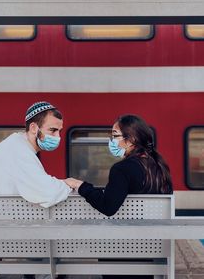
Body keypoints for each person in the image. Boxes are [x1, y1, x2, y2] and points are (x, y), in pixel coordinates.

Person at [65, 114, 173, 279]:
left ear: (130, 140)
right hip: (152, 246)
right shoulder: (159, 166)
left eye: (115, 135)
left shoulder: (122, 169)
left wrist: (81, 186)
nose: (111, 140)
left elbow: (108, 207)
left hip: (123, 248)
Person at [0, 100, 71, 207]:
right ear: (33, 128)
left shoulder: (16, 145)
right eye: (52, 130)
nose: (58, 137)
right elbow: (48, 193)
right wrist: (70, 183)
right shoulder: (18, 152)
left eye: (59, 131)